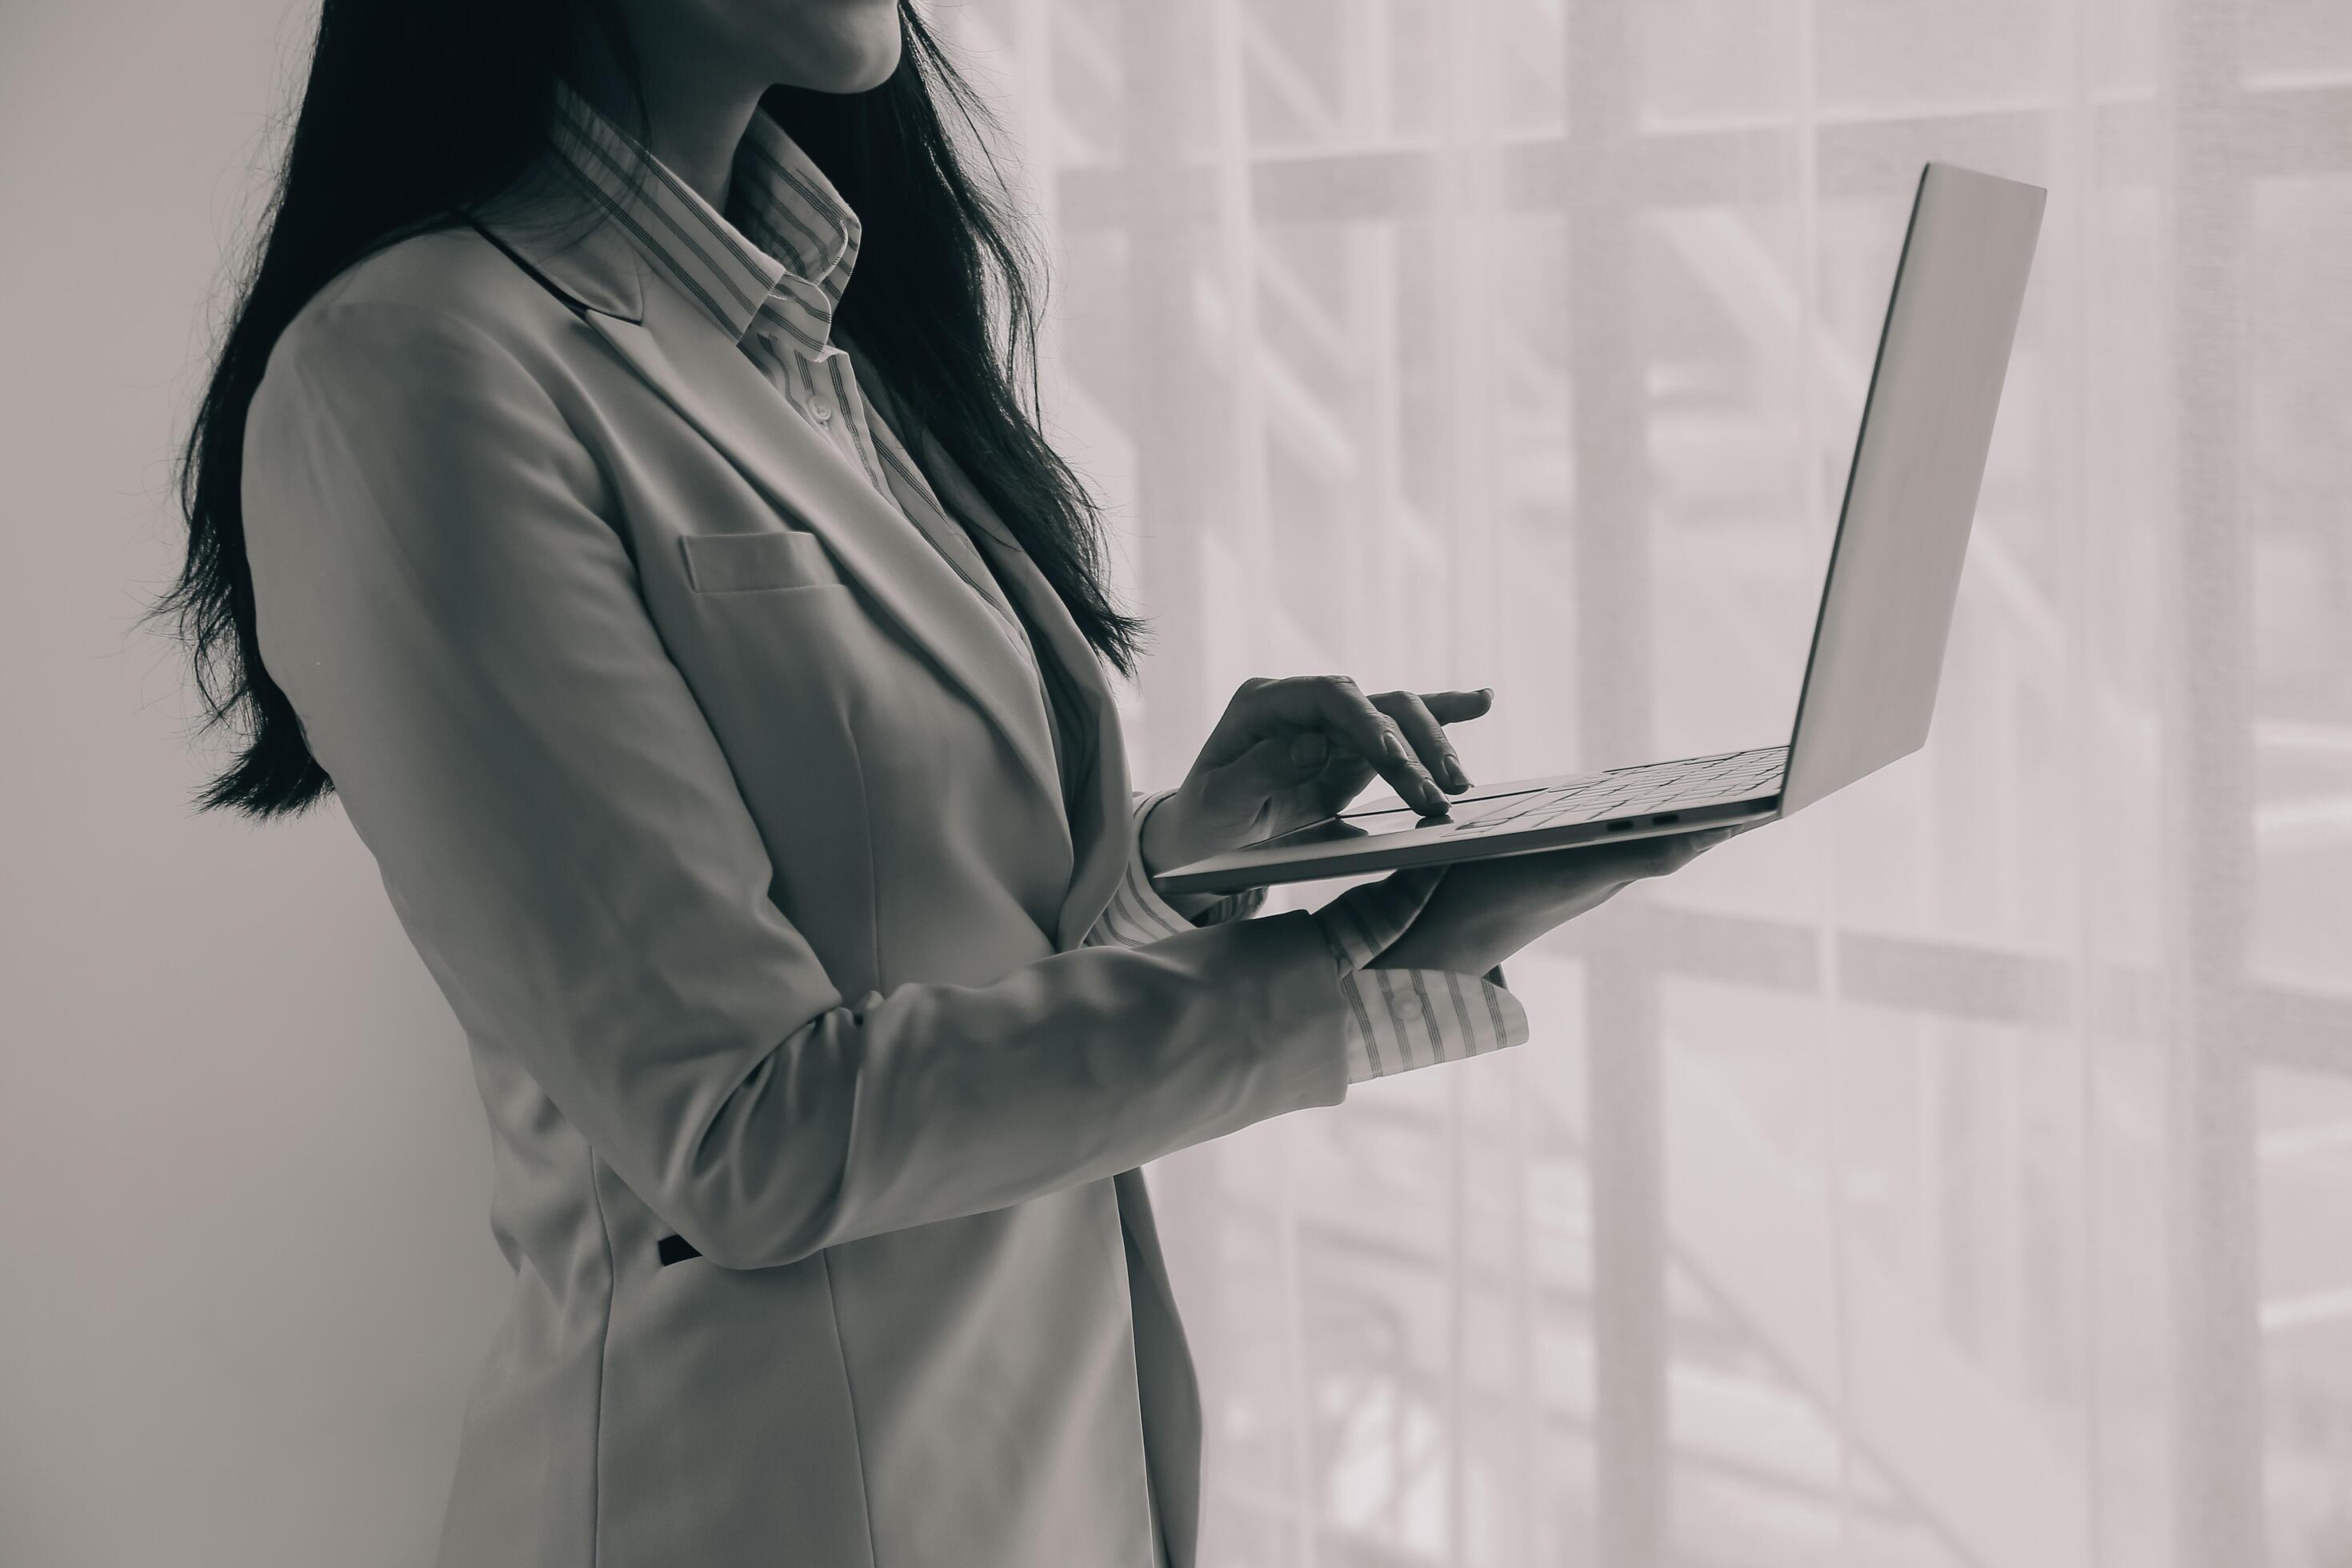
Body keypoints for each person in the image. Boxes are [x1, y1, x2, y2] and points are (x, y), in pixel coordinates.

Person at [154, 1, 1738, 1562]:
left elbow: (942, 982)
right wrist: (1359, 960)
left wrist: (1181, 867)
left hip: (1034, 1481)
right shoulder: (411, 363)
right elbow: (746, 1129)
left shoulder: (815, 333)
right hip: (747, 1506)